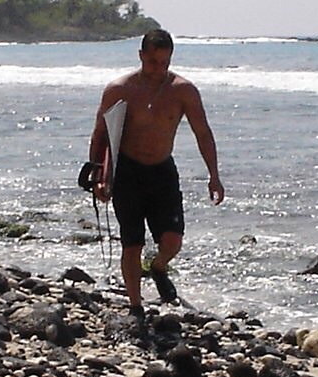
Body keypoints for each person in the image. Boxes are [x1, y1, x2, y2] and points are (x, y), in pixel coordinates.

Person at [89, 29, 224, 317]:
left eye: (164, 62)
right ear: (140, 56)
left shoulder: (183, 90)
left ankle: (159, 266)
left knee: (173, 241)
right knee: (132, 242)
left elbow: (203, 133)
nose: (158, 69)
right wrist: (98, 175)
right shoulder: (120, 89)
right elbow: (101, 133)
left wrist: (214, 175)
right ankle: (136, 305)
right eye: (152, 62)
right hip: (127, 171)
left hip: (162, 170)